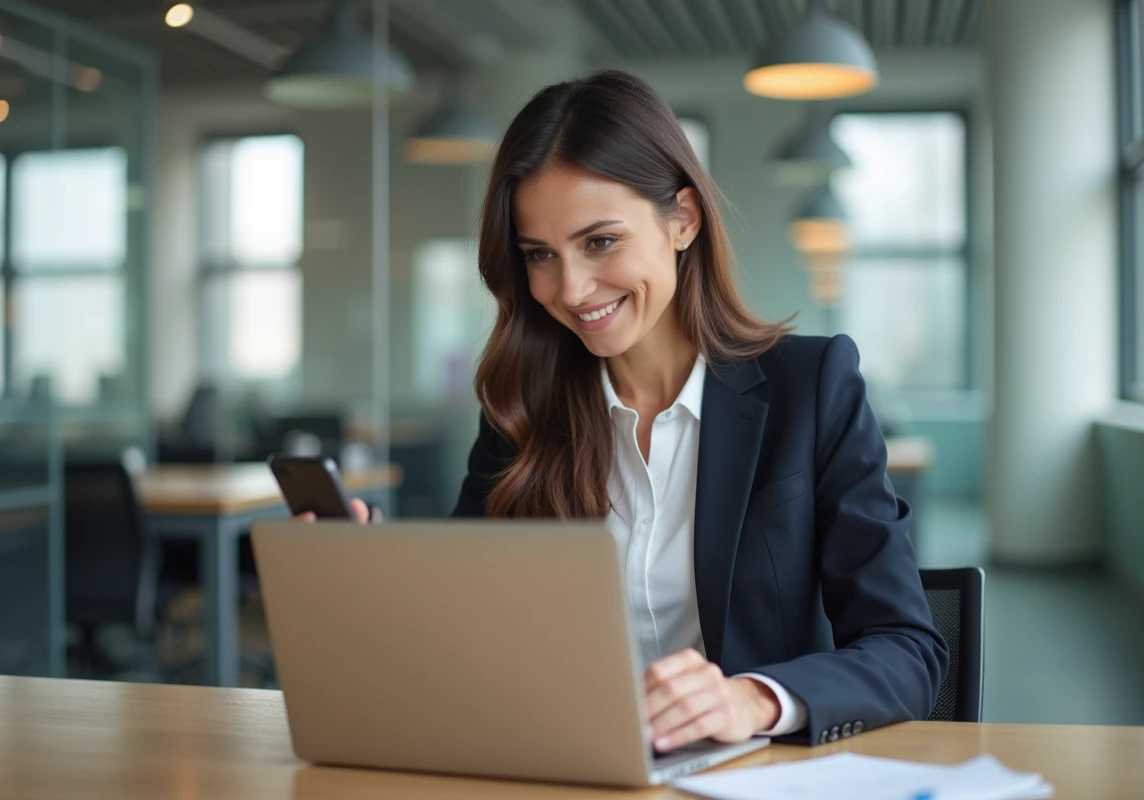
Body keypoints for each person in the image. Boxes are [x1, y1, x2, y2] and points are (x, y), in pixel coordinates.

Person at [306, 69, 947, 749]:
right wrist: (366, 584)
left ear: (683, 220)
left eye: (600, 241)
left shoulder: (811, 388)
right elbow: (468, 633)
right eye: (538, 255)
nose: (571, 288)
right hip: (566, 771)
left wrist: (751, 701)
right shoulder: (521, 410)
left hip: (744, 780)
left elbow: (908, 651)